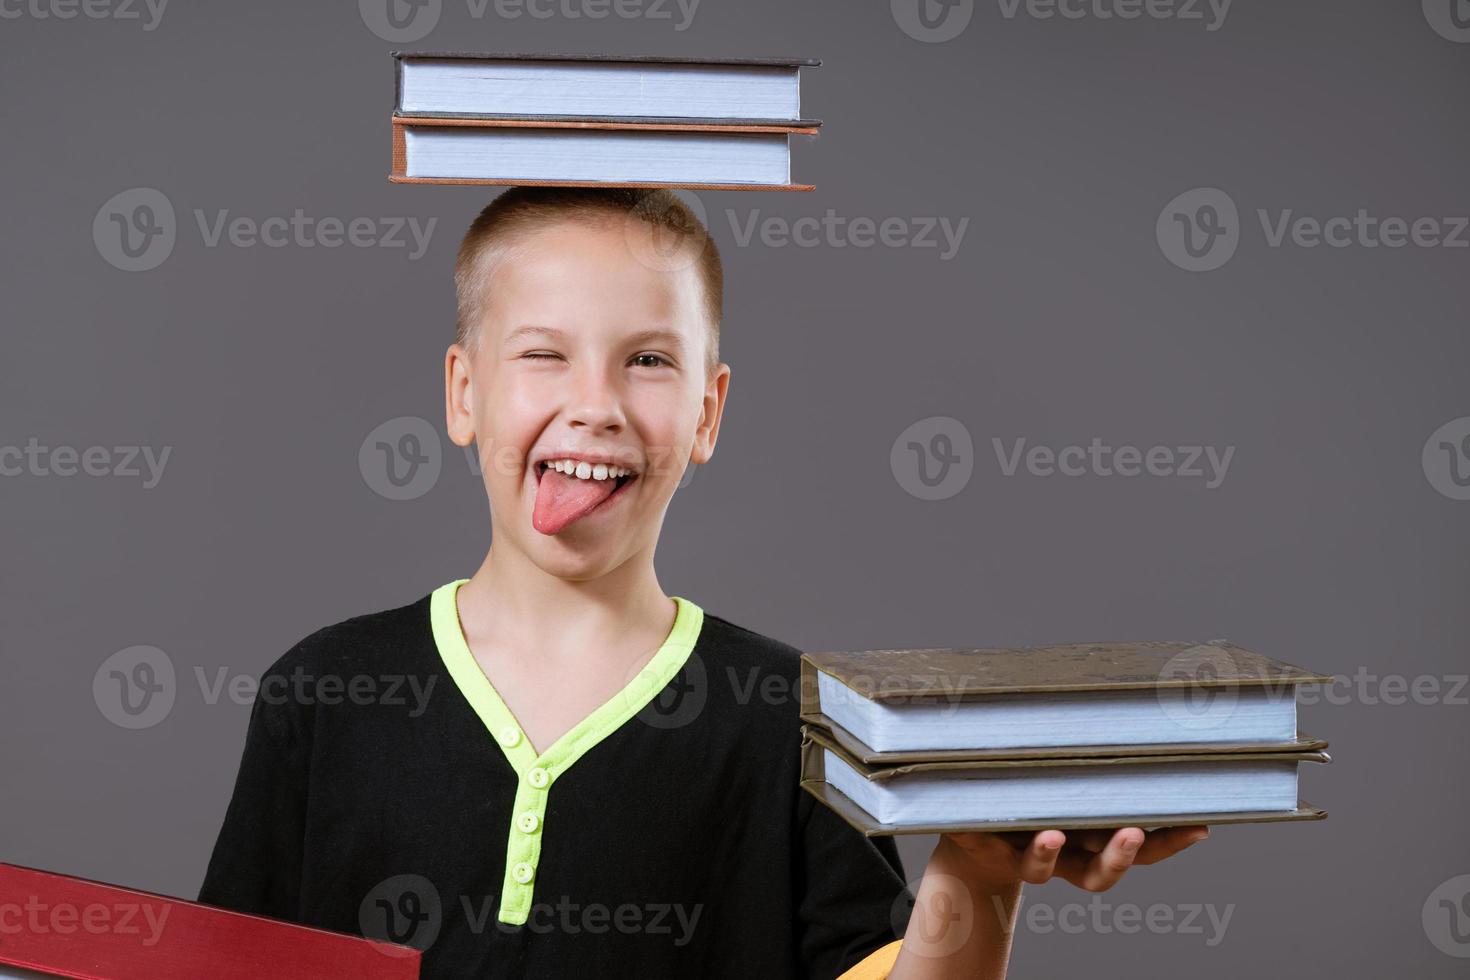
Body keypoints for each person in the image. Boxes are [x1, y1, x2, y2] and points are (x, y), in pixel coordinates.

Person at [198, 186, 1207, 978]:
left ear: (709, 413)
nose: (594, 405)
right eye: (543, 354)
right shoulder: (325, 690)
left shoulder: (799, 723)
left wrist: (978, 877)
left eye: (647, 359)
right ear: (464, 392)